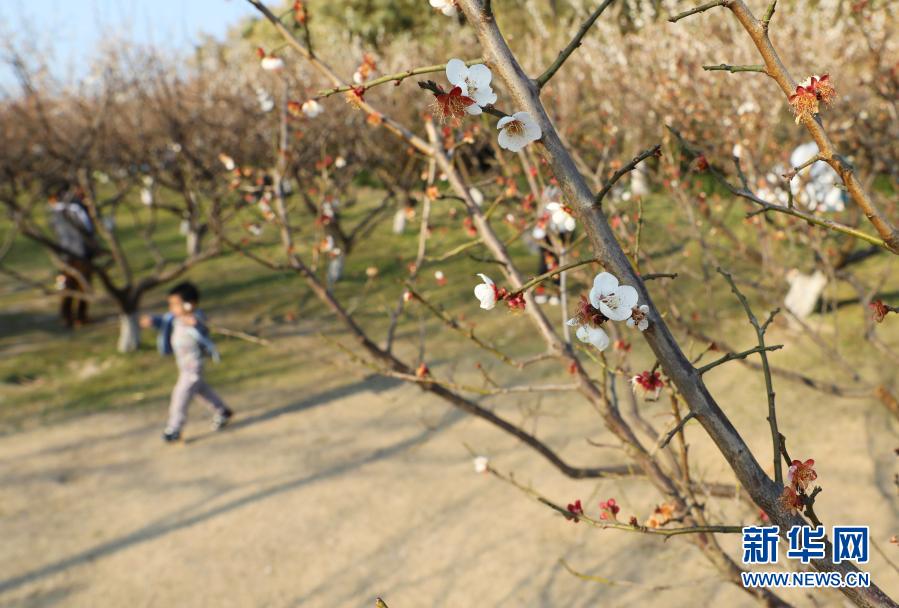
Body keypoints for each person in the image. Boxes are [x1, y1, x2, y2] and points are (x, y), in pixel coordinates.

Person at [140, 281, 232, 442]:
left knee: (180, 396)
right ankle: (223, 411)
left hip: (194, 366)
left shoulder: (196, 319)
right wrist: (152, 321)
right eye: (170, 304)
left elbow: (204, 331)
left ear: (190, 304)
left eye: (175, 304)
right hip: (183, 367)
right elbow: (164, 321)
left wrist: (196, 325)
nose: (171, 308)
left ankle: (174, 428)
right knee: (202, 392)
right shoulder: (175, 318)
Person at [48, 181, 96, 327]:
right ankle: (80, 316)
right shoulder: (76, 208)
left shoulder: (56, 210)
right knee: (82, 285)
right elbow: (88, 229)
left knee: (68, 286)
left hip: (65, 253)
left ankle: (66, 316)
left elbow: (55, 229)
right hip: (81, 253)